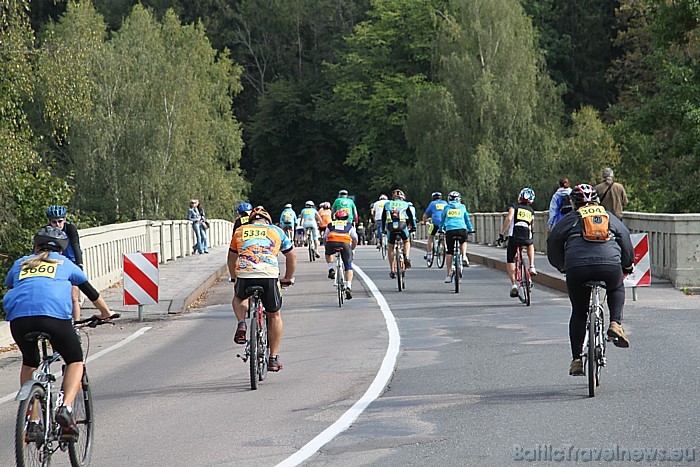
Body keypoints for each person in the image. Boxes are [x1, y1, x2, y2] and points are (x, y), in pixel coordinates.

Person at [3, 227, 115, 437]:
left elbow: (15, 286)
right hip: (53, 318)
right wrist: (106, 313)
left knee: (30, 362)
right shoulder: (65, 264)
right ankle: (65, 408)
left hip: (20, 320)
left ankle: (33, 420)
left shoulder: (21, 263)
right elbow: (91, 293)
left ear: (35, 247)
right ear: (61, 251)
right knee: (74, 360)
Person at [547, 184, 634, 376]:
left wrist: (561, 265)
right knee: (616, 286)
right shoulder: (608, 216)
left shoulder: (570, 218)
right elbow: (625, 239)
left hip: (577, 268)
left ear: (573, 203)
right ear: (596, 200)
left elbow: (553, 242)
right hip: (609, 266)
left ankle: (577, 359)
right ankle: (615, 324)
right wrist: (627, 264)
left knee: (579, 311)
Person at [227, 206, 296, 372]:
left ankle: (242, 323)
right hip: (269, 275)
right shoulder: (276, 231)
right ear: (268, 221)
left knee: (239, 298)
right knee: (274, 315)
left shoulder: (241, 230)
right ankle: (273, 358)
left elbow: (231, 258)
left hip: (245, 273)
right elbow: (291, 256)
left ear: (251, 220)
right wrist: (287, 278)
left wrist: (234, 277)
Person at [45, 205, 84, 318]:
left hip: (71, 262)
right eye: (54, 222)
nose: (57, 225)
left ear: (65, 220)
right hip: (54, 264)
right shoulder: (46, 231)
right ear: (49, 222)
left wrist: (79, 264)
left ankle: (76, 324)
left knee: (73, 296)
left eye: (60, 221)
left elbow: (76, 246)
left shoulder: (70, 229)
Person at [498, 188, 538, 297]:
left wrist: (502, 233)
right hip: (526, 235)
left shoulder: (513, 207)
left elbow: (509, 218)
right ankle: (532, 266)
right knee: (530, 244)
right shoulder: (531, 210)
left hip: (514, 236)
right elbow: (532, 224)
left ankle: (514, 285)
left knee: (510, 259)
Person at [439, 191, 474, 283]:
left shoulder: (446, 207)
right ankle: (464, 256)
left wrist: (440, 229)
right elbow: (467, 219)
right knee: (463, 241)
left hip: (450, 230)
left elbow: (442, 220)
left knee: (449, 252)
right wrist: (471, 229)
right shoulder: (462, 207)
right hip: (462, 229)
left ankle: (448, 275)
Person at [324, 209, 358, 299]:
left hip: (332, 242)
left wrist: (326, 248)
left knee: (328, 254)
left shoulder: (331, 224)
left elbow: (325, 237)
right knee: (348, 266)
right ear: (346, 217)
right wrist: (352, 249)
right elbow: (355, 239)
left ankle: (331, 268)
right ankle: (348, 287)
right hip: (344, 244)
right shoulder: (349, 225)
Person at [382, 189, 417, 278]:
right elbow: (411, 217)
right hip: (402, 226)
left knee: (390, 247)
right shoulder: (405, 204)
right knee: (406, 241)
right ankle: (407, 257)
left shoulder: (387, 204)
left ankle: (392, 270)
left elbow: (383, 218)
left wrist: (383, 229)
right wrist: (414, 227)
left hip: (391, 227)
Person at [422, 192, 448, 262]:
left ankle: (429, 255)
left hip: (435, 223)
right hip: (445, 223)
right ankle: (445, 247)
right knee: (445, 235)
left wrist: (424, 222)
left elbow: (425, 215)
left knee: (430, 237)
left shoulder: (432, 204)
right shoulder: (445, 203)